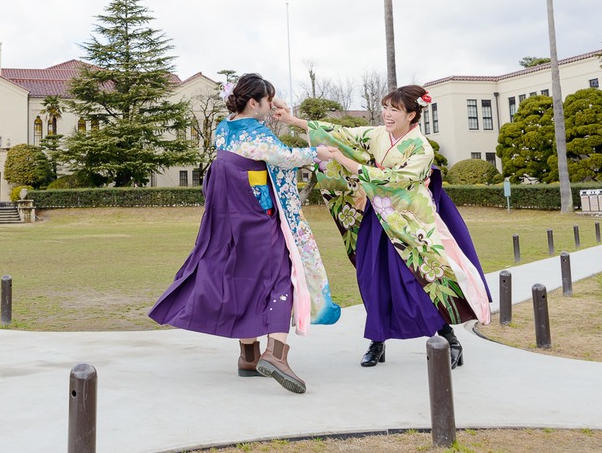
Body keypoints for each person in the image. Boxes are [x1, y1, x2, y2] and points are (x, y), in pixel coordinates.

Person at [273, 84, 490, 369]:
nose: (387, 114)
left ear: (412, 115)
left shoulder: (421, 148)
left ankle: (449, 338)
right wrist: (292, 121)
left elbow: (392, 180)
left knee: (419, 280)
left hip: (411, 224)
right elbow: (340, 133)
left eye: (394, 110)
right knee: (371, 277)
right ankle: (377, 341)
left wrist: (343, 160)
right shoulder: (378, 134)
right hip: (378, 217)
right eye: (386, 108)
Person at [149, 73, 341, 394]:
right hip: (256, 213)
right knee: (283, 274)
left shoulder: (223, 129)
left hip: (227, 218)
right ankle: (276, 354)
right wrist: (316, 153)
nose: (270, 109)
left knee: (243, 278)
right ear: (254, 102)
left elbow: (256, 135)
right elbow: (284, 157)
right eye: (267, 103)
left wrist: (275, 102)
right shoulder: (257, 134)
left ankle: (248, 356)